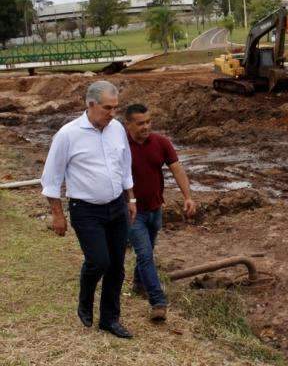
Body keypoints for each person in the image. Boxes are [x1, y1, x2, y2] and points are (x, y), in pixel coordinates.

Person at [41, 80, 136, 339]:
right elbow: (51, 178)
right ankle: (85, 298)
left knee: (116, 266)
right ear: (91, 104)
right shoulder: (67, 135)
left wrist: (131, 199)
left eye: (115, 107)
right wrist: (58, 215)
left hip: (116, 206)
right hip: (86, 210)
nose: (112, 113)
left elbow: (124, 165)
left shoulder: (117, 129)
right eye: (107, 108)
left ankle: (109, 320)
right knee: (99, 262)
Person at [124, 103, 196, 322]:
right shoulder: (120, 146)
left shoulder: (161, 142)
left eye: (148, 122)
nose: (146, 127)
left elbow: (177, 169)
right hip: (133, 212)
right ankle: (158, 301)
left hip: (156, 209)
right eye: (140, 123)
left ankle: (138, 284)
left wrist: (187, 196)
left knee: (147, 250)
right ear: (128, 125)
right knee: (145, 255)